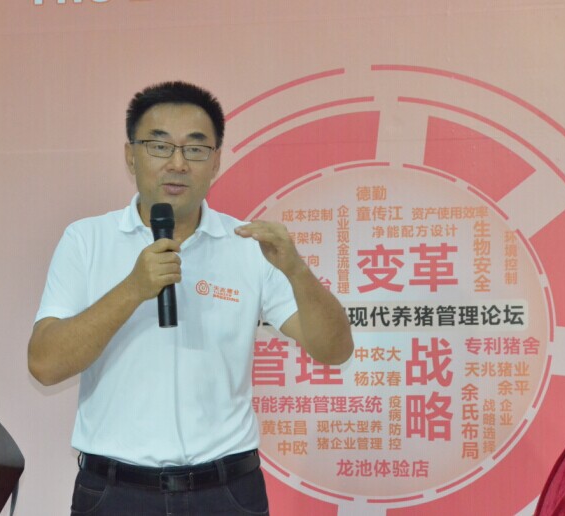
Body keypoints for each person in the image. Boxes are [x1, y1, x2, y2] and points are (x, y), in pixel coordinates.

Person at [28, 81, 354, 515]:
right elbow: (45, 364)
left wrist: (297, 271)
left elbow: (335, 349)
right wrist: (133, 289)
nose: (178, 163)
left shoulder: (248, 245)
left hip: (227, 492)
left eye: (196, 149)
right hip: (115, 492)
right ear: (131, 156)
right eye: (159, 146)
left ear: (216, 161)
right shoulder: (87, 240)